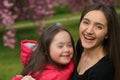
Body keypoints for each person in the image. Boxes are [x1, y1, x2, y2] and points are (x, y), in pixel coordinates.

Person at [72, 2, 120, 80]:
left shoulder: (102, 71)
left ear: (107, 34)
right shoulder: (80, 47)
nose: (89, 31)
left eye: (99, 27)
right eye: (86, 22)